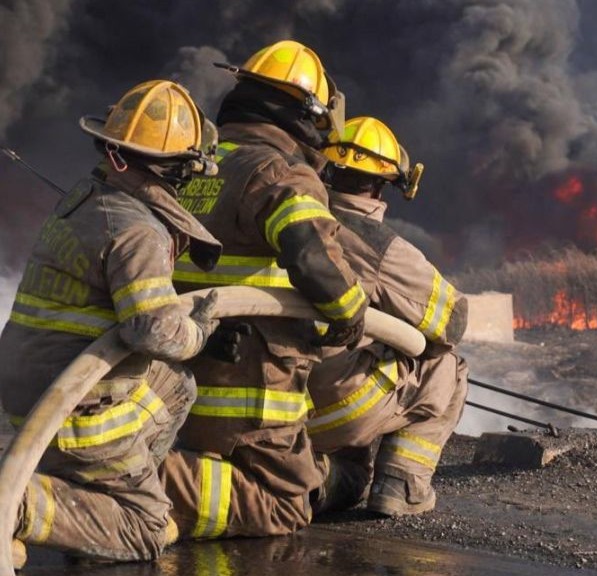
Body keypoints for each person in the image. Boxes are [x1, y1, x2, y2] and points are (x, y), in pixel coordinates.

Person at [0, 80, 222, 564]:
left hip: (22, 395)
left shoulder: (84, 199)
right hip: (72, 413)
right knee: (147, 530)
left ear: (114, 150)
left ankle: (94, 501)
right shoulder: (137, 229)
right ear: (183, 170)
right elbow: (153, 330)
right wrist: (200, 332)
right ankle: (23, 506)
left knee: (175, 383)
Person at [161, 40, 368, 540]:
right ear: (307, 115)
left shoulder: (188, 167)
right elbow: (312, 255)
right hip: (248, 387)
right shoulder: (278, 171)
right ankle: (143, 486)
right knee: (282, 506)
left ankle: (137, 475)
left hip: (173, 381)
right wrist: (350, 313)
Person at [306, 117, 468, 517]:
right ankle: (402, 485)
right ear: (384, 184)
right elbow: (453, 322)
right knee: (447, 363)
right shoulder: (380, 247)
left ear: (324, 170)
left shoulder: (281, 216)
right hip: (333, 407)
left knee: (351, 474)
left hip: (267, 395)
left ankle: (304, 483)